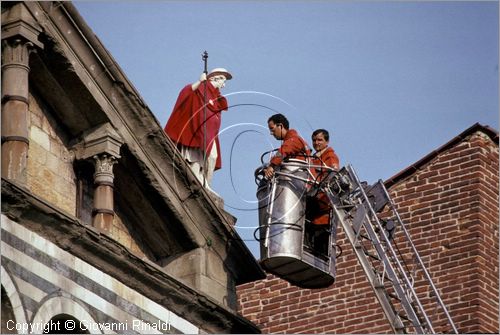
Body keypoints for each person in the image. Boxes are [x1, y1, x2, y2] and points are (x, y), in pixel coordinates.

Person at [164, 68, 232, 190]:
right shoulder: (200, 88)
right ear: (215, 78)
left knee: (212, 157)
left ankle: (206, 183)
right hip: (194, 132)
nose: (224, 85)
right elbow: (185, 93)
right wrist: (199, 82)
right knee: (197, 157)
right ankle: (199, 181)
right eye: (224, 80)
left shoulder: (217, 98)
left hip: (210, 134)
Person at [306, 129, 340, 255]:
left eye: (320, 140)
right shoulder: (313, 158)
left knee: (321, 242)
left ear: (327, 141)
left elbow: (332, 176)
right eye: (314, 140)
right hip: (313, 200)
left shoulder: (330, 156)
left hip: (323, 203)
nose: (316, 143)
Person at [263, 114, 311, 179]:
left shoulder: (294, 139)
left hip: (299, 179)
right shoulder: (291, 140)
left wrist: (272, 165)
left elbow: (284, 150)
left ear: (280, 126)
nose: (271, 133)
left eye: (272, 129)